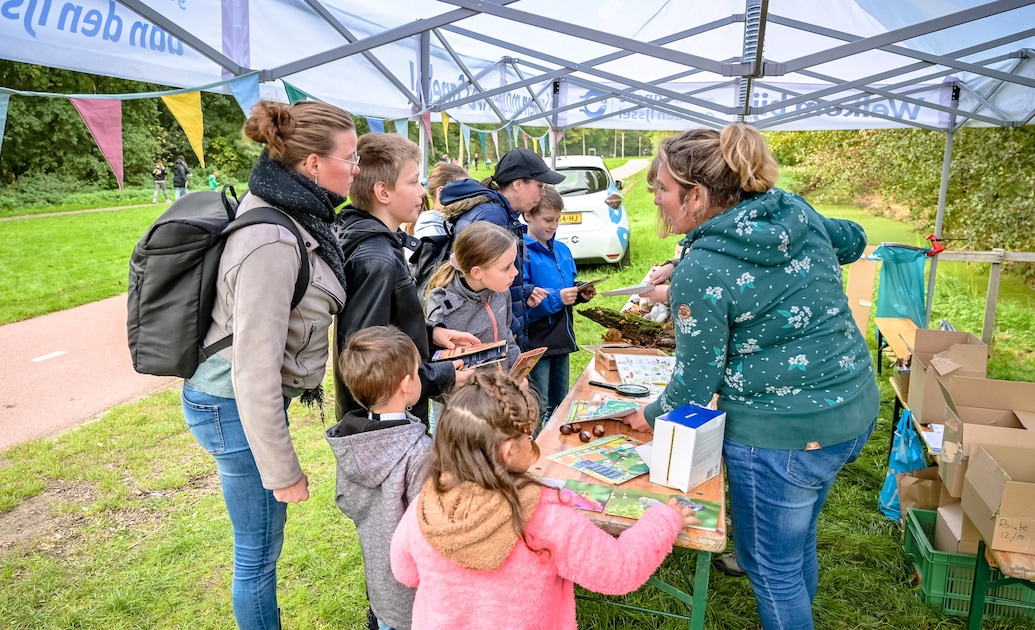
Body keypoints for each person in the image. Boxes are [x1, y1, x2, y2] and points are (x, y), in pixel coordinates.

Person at [623, 124, 879, 630]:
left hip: (780, 437)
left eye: (662, 189)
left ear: (696, 197)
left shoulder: (703, 269)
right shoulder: (792, 210)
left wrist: (648, 414)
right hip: (851, 408)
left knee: (771, 567)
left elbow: (694, 386)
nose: (655, 198)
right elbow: (853, 240)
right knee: (795, 542)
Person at [180, 100, 359, 630]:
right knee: (257, 553)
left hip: (238, 401)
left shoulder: (295, 211)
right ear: (313, 164)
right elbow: (253, 370)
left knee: (261, 546)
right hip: (231, 404)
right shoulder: (273, 240)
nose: (356, 168)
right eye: (349, 157)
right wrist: (281, 471)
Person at [389, 371, 701, 630]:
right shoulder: (544, 516)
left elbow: (405, 572)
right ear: (509, 451)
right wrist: (664, 520)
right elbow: (620, 569)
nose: (532, 440)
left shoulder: (426, 505)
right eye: (528, 435)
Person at [334, 133, 478, 424]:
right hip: (384, 423)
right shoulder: (376, 259)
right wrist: (443, 376)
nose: (423, 192)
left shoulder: (383, 242)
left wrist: (430, 333)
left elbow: (388, 325)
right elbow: (371, 361)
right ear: (383, 192)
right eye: (413, 182)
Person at [326, 327, 434, 630]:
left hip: (380, 588)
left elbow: (346, 501)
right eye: (417, 371)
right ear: (406, 385)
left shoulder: (352, 442)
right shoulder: (420, 453)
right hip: (416, 596)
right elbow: (431, 527)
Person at [438, 148, 564, 351]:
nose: (542, 193)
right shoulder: (493, 217)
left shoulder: (499, 213)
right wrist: (509, 328)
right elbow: (479, 283)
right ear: (518, 184)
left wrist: (523, 292)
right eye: (539, 185)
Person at [523, 186, 596, 427]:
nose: (553, 226)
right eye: (548, 220)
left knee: (561, 401)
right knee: (539, 403)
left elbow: (567, 286)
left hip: (562, 338)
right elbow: (524, 302)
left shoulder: (562, 250)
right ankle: (534, 446)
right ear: (528, 215)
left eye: (557, 220)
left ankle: (556, 441)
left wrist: (580, 292)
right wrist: (558, 298)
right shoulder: (521, 252)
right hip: (537, 340)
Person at [424, 222, 526, 372]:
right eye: (506, 267)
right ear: (477, 273)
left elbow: (506, 334)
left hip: (504, 383)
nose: (515, 272)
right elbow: (442, 367)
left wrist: (517, 373)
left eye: (513, 264)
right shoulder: (445, 308)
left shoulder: (501, 291)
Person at [413, 162, 468, 239]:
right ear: (442, 193)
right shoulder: (432, 233)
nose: (469, 195)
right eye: (463, 190)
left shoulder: (447, 225)